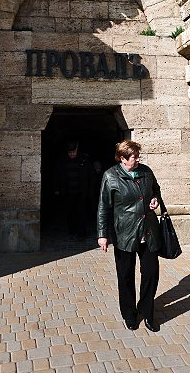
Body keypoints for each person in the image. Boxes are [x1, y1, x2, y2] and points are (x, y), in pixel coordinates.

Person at [97, 140, 165, 332]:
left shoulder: (146, 172)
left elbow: (156, 191)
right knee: (125, 276)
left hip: (148, 232)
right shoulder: (110, 176)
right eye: (134, 157)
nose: (138, 159)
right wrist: (102, 234)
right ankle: (129, 314)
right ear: (122, 158)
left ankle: (147, 311)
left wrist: (155, 200)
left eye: (137, 156)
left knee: (151, 273)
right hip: (124, 234)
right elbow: (103, 206)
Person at [55, 141, 92, 238]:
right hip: (68, 192)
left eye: (73, 152)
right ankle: (72, 231)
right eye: (70, 152)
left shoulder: (84, 160)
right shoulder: (62, 160)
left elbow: (89, 176)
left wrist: (89, 191)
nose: (72, 154)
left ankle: (81, 233)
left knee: (81, 213)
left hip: (80, 192)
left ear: (77, 150)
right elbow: (58, 175)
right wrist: (58, 188)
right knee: (70, 212)